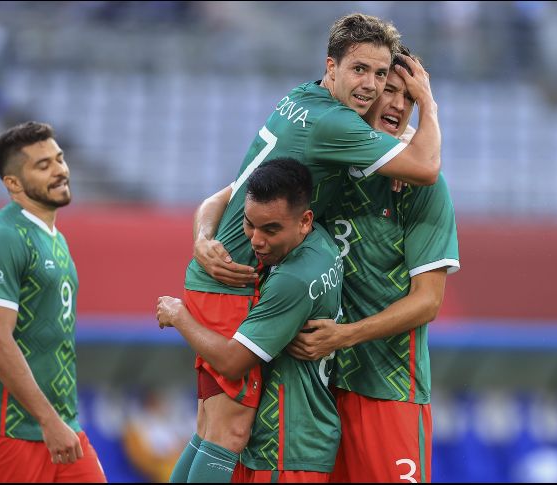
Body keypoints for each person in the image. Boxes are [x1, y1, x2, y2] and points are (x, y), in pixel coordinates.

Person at [173, 12, 442, 483]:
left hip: (231, 273)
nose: (374, 88)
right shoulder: (336, 126)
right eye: (362, 70)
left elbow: (229, 191)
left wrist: (201, 238)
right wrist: (429, 106)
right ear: (331, 67)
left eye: (384, 77)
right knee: (228, 433)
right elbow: (426, 167)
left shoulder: (301, 99)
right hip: (237, 280)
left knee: (213, 429)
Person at [287, 47, 460, 483]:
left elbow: (428, 303)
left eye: (412, 98)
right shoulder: (322, 163)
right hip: (315, 385)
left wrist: (343, 337)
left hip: (386, 388)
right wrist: (204, 235)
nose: (400, 106)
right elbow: (237, 194)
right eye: (390, 91)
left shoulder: (422, 186)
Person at [157, 158, 343, 482]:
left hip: (284, 446)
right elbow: (217, 198)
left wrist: (178, 316)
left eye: (270, 229)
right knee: (208, 429)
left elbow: (232, 362)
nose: (255, 240)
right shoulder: (322, 242)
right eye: (249, 224)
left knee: (216, 431)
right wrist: (202, 239)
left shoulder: (293, 279)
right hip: (303, 437)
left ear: (304, 221)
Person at [0, 121, 106, 483]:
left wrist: (57, 423)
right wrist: (48, 421)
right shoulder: (2, 238)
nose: (60, 170)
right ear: (13, 183)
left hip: (61, 428)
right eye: (43, 165)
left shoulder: (55, 239)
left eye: (59, 159)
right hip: (6, 430)